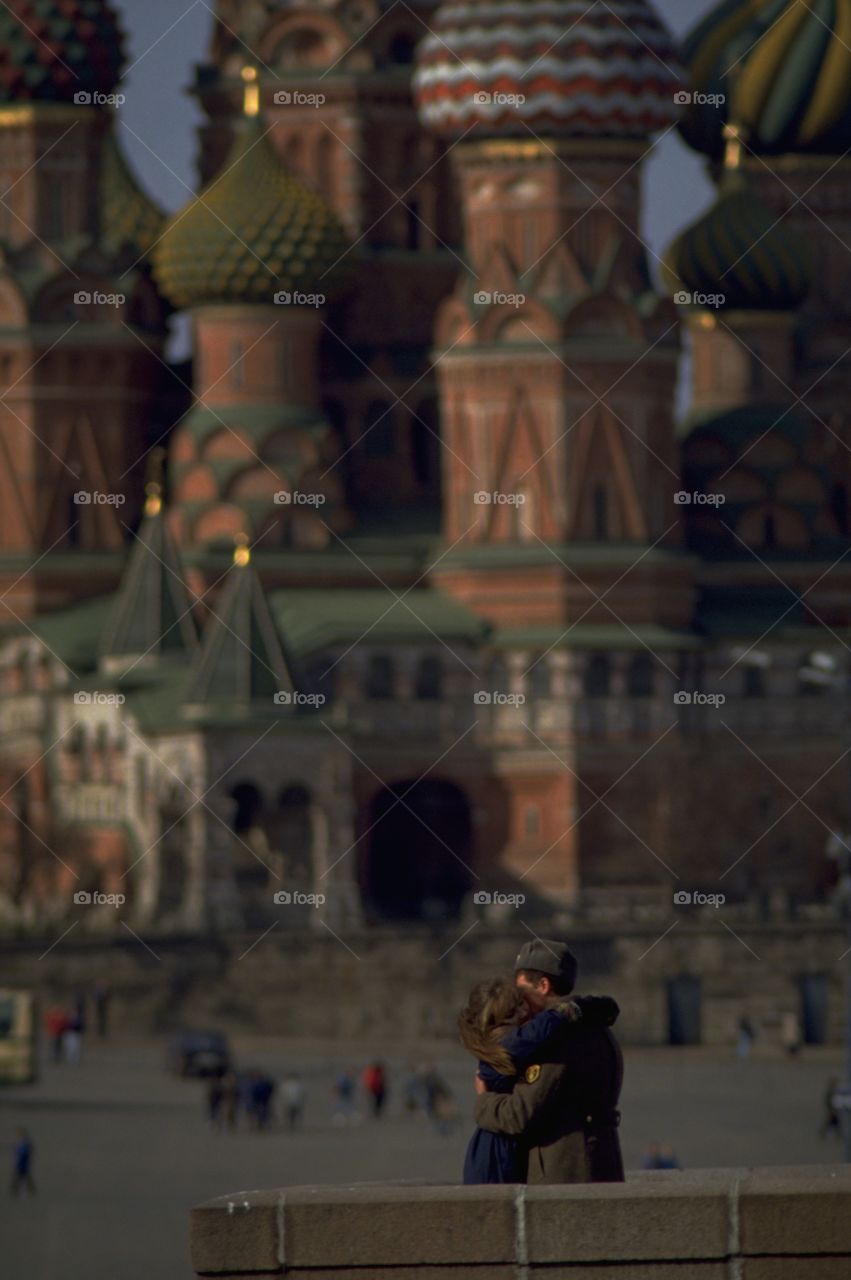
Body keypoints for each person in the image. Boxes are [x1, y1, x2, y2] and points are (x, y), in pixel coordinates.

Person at [472, 939, 624, 1184]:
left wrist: (484, 1100)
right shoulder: (596, 1025)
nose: (518, 1004)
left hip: (565, 1171)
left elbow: (520, 1114)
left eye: (522, 993)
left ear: (543, 985)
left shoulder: (557, 1038)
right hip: (600, 1161)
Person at [10, 1127, 35, 1196]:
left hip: (23, 1163)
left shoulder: (25, 1144)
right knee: (24, 1177)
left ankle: (15, 1190)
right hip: (21, 1164)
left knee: (21, 1177)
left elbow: (25, 1153)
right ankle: (30, 1189)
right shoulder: (20, 1144)